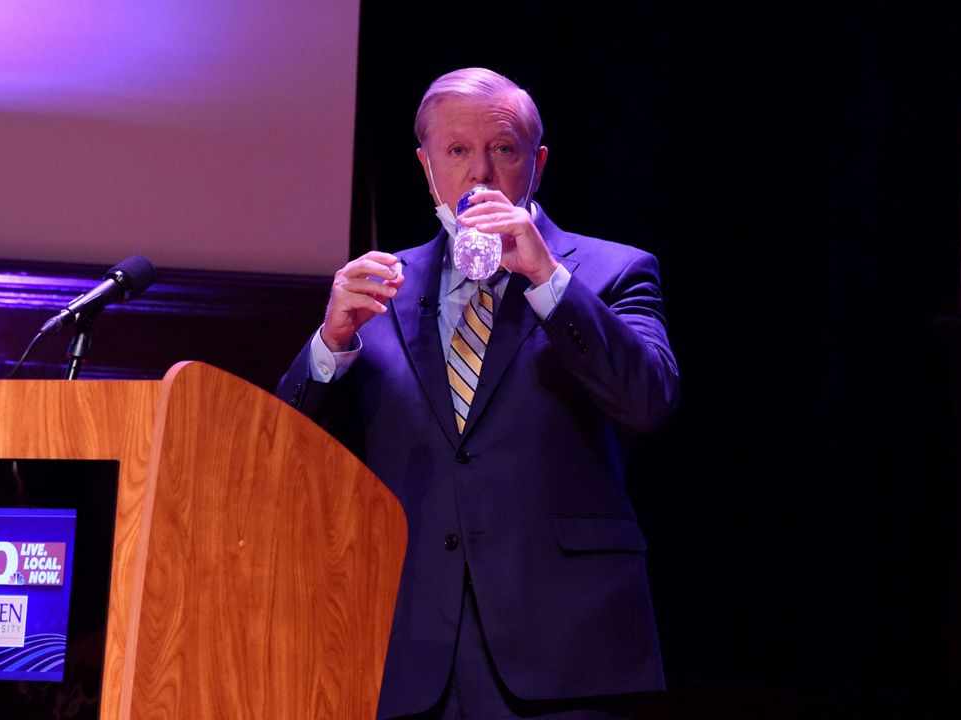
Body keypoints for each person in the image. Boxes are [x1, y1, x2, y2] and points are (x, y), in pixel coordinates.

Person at [277, 68, 679, 719]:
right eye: (458, 151)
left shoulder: (612, 273)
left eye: (505, 149)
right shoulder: (378, 287)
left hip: (566, 656)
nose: (481, 173)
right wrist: (330, 343)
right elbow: (284, 455)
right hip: (403, 650)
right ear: (427, 167)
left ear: (537, 163)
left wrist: (547, 279)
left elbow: (648, 399)